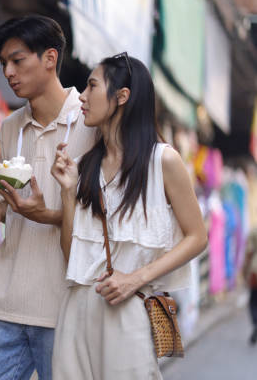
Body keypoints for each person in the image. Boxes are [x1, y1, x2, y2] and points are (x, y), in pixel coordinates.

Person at [50, 52, 208, 379]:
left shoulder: (162, 161)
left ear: (122, 96)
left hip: (126, 309)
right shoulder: (84, 167)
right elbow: (71, 256)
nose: (82, 95)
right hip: (75, 314)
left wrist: (136, 278)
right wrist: (67, 192)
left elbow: (198, 237)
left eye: (92, 86)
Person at [0, 15, 97, 379]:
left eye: (17, 60)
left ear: (50, 58)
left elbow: (111, 215)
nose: (7, 71)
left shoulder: (91, 123)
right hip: (3, 304)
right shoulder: (10, 127)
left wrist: (53, 215)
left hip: (64, 306)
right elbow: (12, 202)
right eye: (3, 63)